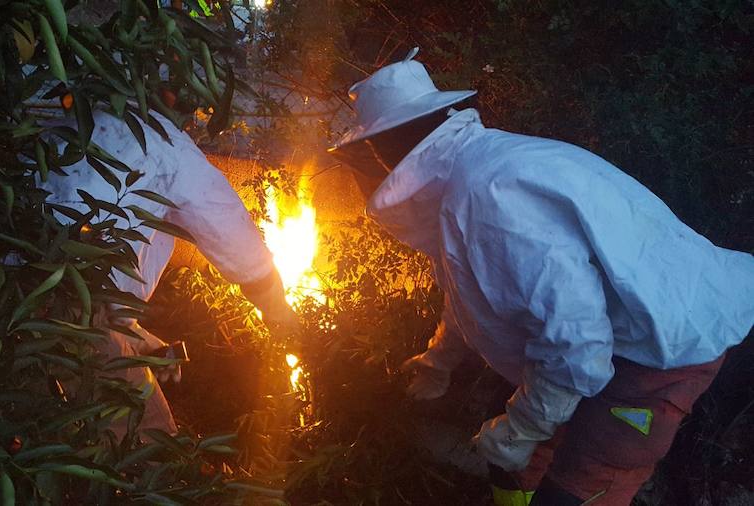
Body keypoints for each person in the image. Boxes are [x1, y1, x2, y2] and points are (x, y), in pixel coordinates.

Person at [328, 48, 754, 505]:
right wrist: (438, 362)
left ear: (387, 147)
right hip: (619, 338)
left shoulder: (490, 196)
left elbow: (577, 343)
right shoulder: (477, 173)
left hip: (659, 353)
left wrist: (523, 427)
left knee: (577, 483)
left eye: (373, 150)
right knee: (512, 455)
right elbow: (471, 295)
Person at [40, 107, 298, 435]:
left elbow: (100, 270)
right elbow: (239, 247)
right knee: (150, 445)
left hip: (7, 299)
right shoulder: (162, 141)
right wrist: (283, 316)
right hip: (69, 317)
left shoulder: (67, 125)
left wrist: (137, 337)